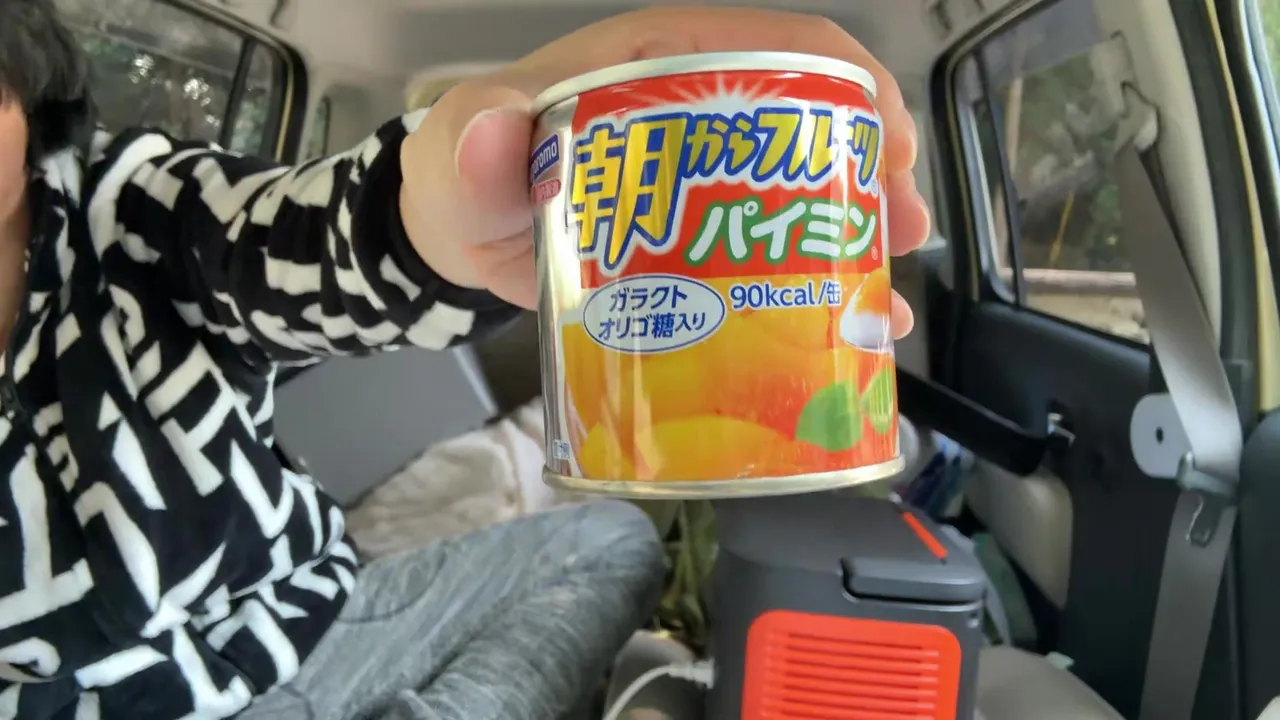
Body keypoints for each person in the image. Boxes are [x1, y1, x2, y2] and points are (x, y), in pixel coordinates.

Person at [0, 2, 931, 718]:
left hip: (308, 626)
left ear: (28, 85)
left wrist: (437, 205)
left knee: (610, 538)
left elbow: (315, 240)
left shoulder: (129, 208)